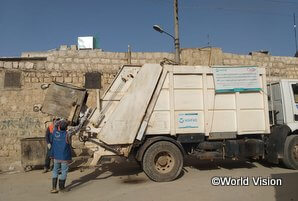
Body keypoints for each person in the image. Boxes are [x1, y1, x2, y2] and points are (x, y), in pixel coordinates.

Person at [50, 119, 72, 193]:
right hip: (64, 157)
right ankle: (61, 188)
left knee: (55, 171)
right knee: (64, 171)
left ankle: (54, 188)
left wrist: (60, 121)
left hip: (56, 156)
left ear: (59, 126)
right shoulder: (67, 134)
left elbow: (55, 124)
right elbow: (77, 129)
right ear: (66, 127)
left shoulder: (55, 132)